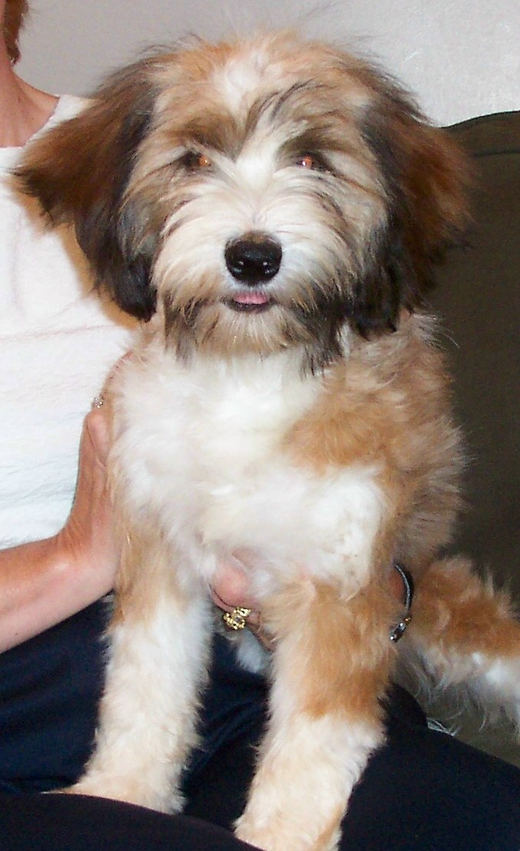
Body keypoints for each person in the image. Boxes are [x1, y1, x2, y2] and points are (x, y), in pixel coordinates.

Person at [1, 2, 520, 849]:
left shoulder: (117, 124)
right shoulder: (111, 163)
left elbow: (353, 589)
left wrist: (344, 597)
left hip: (269, 681)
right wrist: (79, 554)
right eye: (196, 162)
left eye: (310, 160)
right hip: (27, 698)